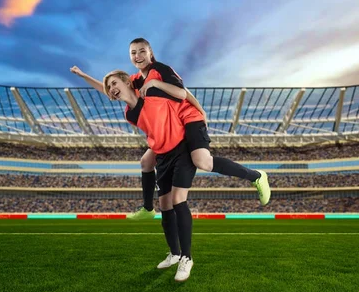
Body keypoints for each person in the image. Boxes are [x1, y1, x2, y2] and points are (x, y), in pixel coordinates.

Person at [70, 38, 271, 220]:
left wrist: (199, 109)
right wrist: (83, 75)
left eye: (142, 51)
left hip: (188, 118)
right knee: (146, 161)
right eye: (133, 53)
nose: (138, 56)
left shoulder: (160, 70)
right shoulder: (138, 80)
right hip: (171, 125)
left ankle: (256, 176)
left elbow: (183, 93)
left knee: (203, 162)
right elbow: (110, 89)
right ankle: (148, 209)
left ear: (150, 52)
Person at [103, 69, 194, 281]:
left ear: (127, 82)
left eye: (115, 83)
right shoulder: (128, 113)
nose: (112, 89)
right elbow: (152, 127)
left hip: (178, 141)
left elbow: (181, 93)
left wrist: (198, 113)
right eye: (109, 88)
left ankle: (186, 257)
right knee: (165, 206)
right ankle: (174, 252)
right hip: (161, 149)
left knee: (179, 199)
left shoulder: (147, 92)